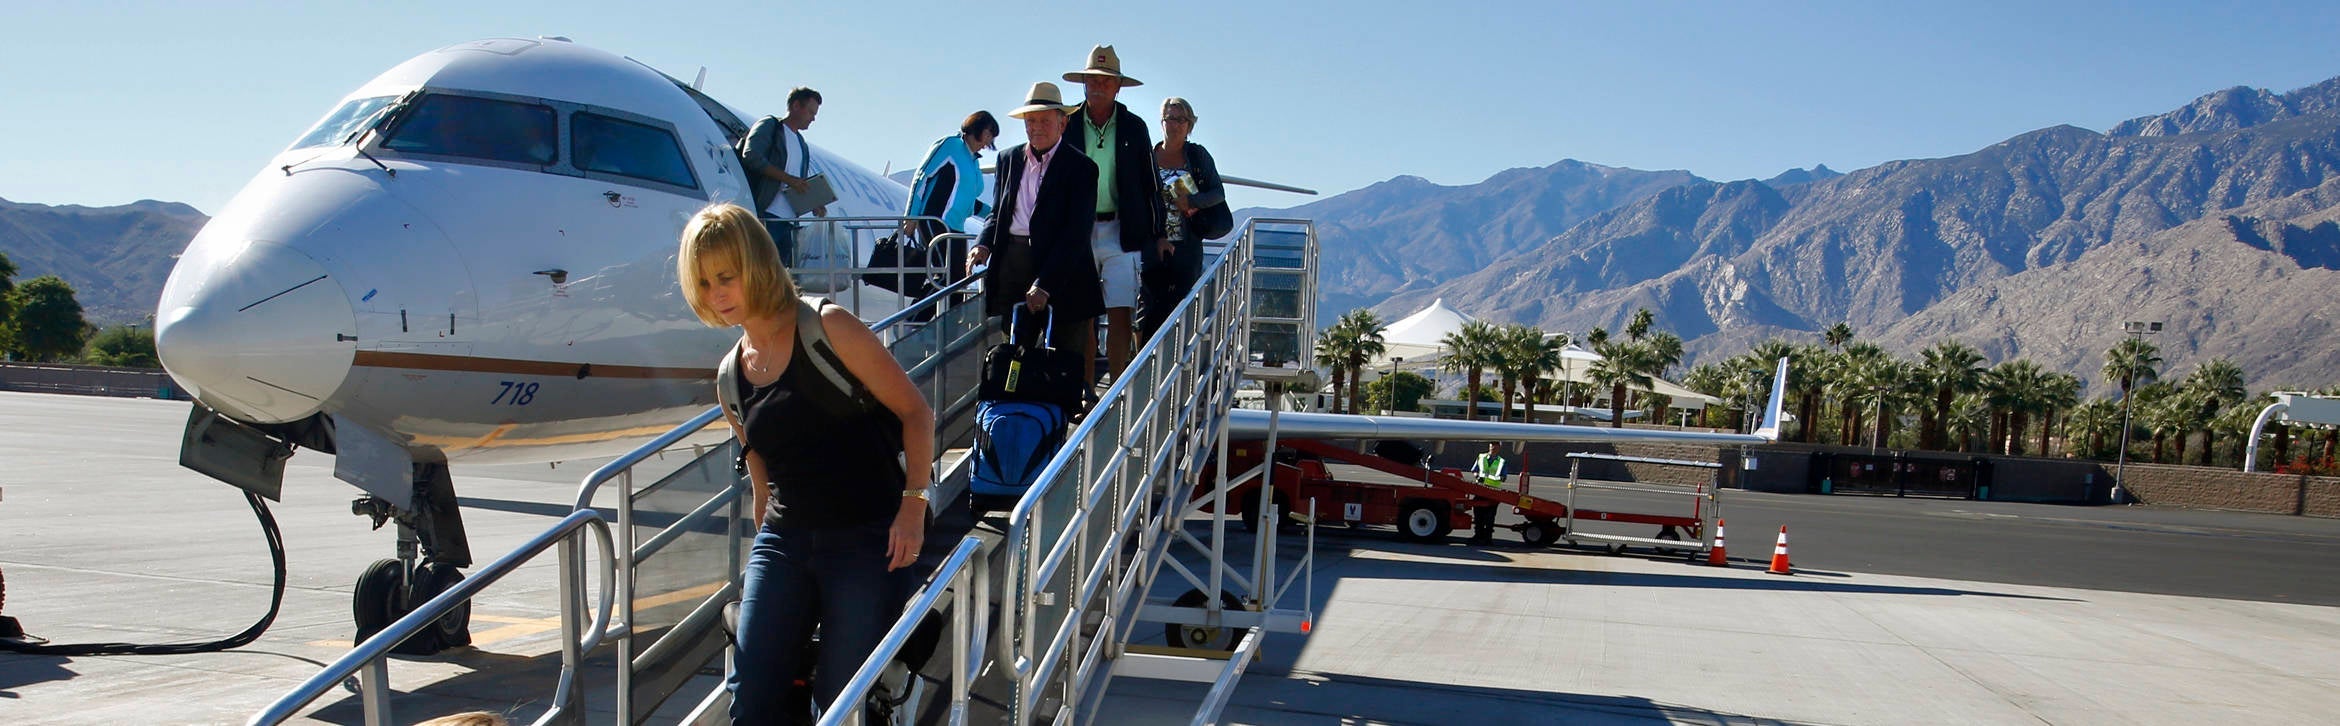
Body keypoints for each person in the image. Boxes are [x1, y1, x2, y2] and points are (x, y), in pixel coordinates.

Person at [679, 203, 935, 722]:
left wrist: (913, 505)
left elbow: (916, 412)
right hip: (786, 541)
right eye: (704, 284)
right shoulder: (733, 374)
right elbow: (758, 465)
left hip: (867, 537)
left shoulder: (828, 326)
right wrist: (764, 543)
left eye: (726, 277)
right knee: (752, 701)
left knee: (838, 706)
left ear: (757, 264)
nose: (717, 295)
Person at [1061, 45, 1166, 389]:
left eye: (1106, 81)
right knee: (1084, 315)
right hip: (1079, 231)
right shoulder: (1069, 123)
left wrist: (1159, 231)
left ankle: (1117, 390)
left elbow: (1151, 184)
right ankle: (1086, 389)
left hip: (1123, 229)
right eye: (1093, 79)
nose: (1098, 86)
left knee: (1121, 312)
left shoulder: (1135, 127)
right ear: (1084, 83)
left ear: (1118, 86)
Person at [968, 83, 1104, 331]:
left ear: (1062, 124)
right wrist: (983, 243)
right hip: (1013, 265)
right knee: (1014, 356)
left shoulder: (1082, 167)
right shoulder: (1007, 159)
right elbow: (998, 213)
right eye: (1031, 121)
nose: (1036, 127)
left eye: (1044, 120)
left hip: (1063, 270)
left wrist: (1045, 283)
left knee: (1063, 356)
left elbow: (1076, 232)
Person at [1142, 96, 1228, 342]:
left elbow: (1217, 193)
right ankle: (1143, 365)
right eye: (1171, 118)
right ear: (1162, 122)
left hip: (1186, 244)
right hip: (1151, 244)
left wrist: (1191, 202)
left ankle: (1175, 367)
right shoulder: (1148, 156)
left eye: (1182, 119)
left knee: (1182, 308)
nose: (1176, 124)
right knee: (1148, 309)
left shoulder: (1198, 157)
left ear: (1190, 124)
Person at [902, 111, 1000, 281]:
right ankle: (920, 309)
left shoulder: (974, 161)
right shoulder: (951, 145)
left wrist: (998, 214)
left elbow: (968, 202)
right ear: (976, 128)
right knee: (947, 277)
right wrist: (910, 216)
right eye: (988, 133)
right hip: (935, 220)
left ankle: (928, 308)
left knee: (959, 280)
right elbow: (921, 177)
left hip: (957, 228)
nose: (989, 140)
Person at [741, 87, 827, 263]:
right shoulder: (771, 126)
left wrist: (813, 201)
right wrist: (789, 180)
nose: (813, 118)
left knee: (782, 276)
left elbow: (797, 181)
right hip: (766, 214)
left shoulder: (802, 144)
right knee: (761, 269)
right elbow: (751, 156)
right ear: (796, 106)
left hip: (788, 221)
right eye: (810, 112)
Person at [1468, 442, 1507, 544]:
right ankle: (1478, 535)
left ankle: (1488, 538)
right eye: (1491, 446)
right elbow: (1474, 470)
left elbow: (1503, 477)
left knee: (1490, 516)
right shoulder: (1481, 457)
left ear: (1499, 448)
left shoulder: (1501, 462)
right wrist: (1477, 476)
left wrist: (1493, 478)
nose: (1493, 448)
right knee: (1478, 515)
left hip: (1492, 492)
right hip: (1480, 490)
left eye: (1495, 447)